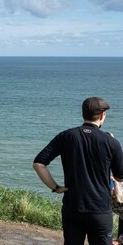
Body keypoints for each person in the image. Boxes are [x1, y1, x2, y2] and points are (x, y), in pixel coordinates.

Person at [33, 97, 123, 245]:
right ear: (101, 116)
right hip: (99, 209)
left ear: (83, 114)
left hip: (72, 207)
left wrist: (56, 187)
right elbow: (120, 177)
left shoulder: (66, 136)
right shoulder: (111, 142)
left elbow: (39, 164)